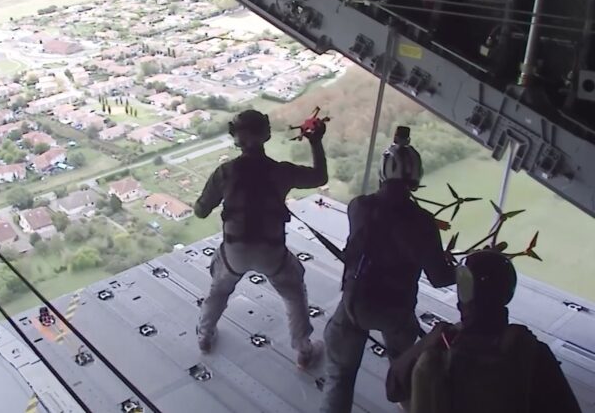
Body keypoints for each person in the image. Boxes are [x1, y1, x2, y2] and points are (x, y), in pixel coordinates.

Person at [321, 126, 456, 413]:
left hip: (354, 305)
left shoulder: (358, 207)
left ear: (382, 173)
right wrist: (459, 268)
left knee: (340, 379)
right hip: (396, 312)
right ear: (415, 179)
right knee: (405, 378)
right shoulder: (423, 222)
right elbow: (440, 277)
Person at [194, 109, 327, 369]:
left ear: (235, 137)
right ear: (266, 134)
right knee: (294, 294)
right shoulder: (282, 172)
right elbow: (319, 177)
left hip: (234, 251)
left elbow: (200, 211)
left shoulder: (225, 172)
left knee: (219, 290)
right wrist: (315, 142)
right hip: (272, 252)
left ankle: (204, 337)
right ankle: (303, 350)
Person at [386, 250, 582, 413]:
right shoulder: (533, 351)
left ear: (463, 292)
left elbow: (394, 387)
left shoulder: (442, 341)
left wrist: (433, 339)